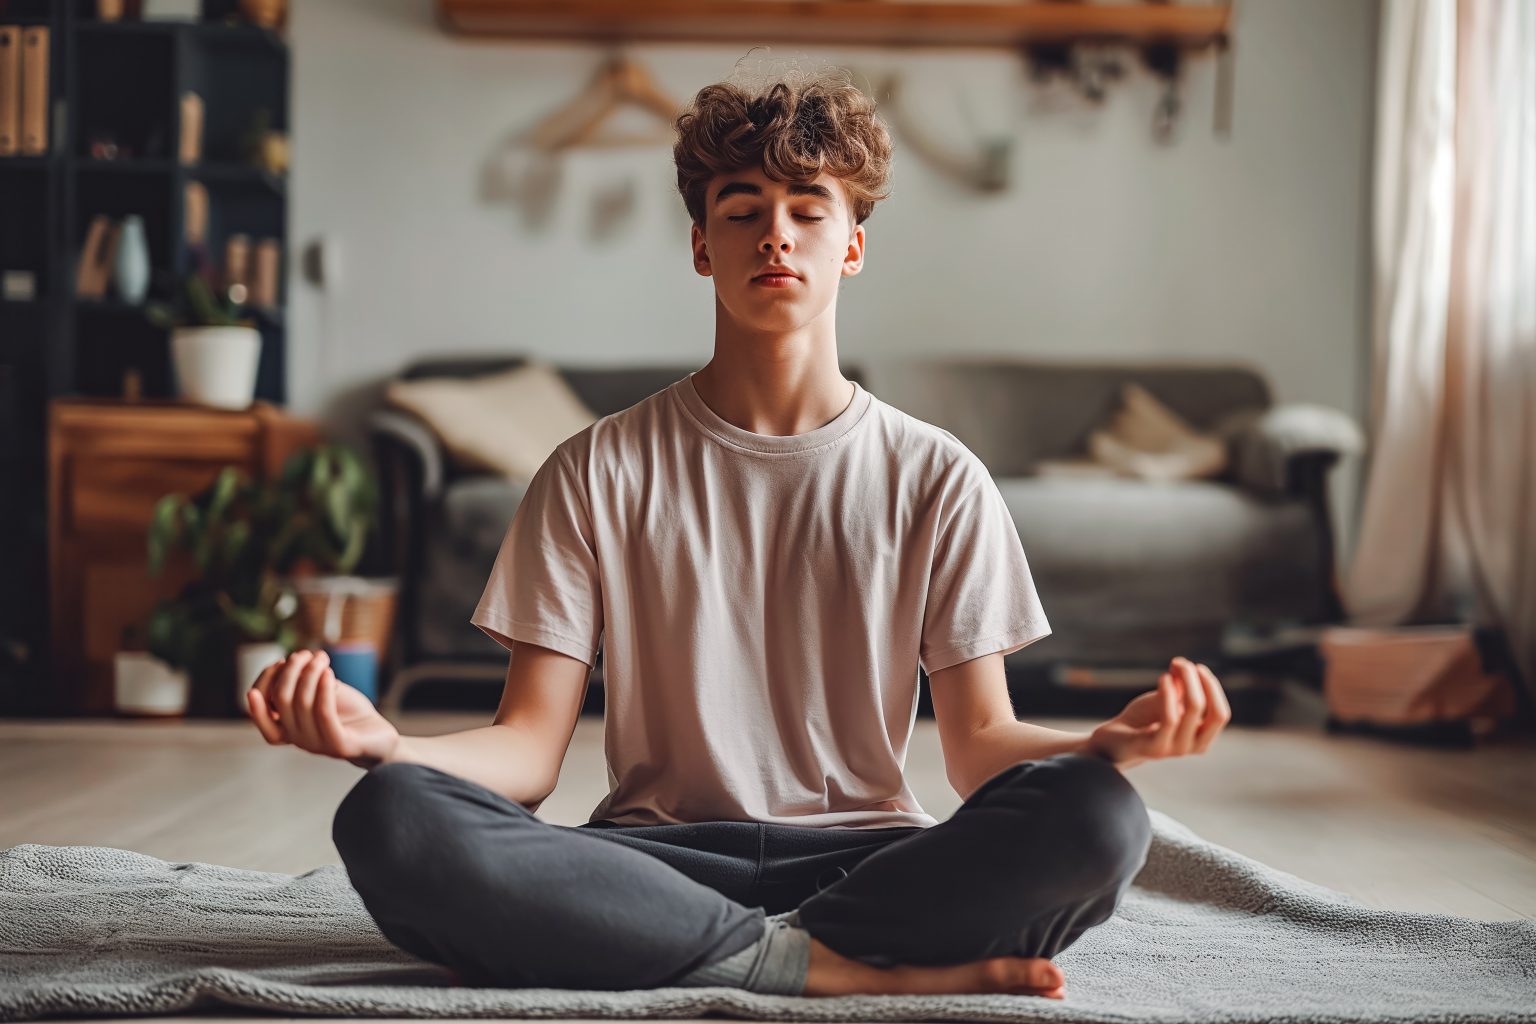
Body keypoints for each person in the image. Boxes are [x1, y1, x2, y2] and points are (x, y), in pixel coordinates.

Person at [245, 65, 1231, 1000]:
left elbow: (978, 749)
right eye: (743, 212)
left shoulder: (938, 476)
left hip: (870, 855)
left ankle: (694, 954)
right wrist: (389, 743)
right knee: (393, 814)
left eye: (809, 212)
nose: (777, 237)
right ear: (699, 244)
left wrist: (1101, 743)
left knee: (1099, 816)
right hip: (648, 855)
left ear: (852, 243)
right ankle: (825, 969)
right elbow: (529, 750)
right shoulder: (594, 468)